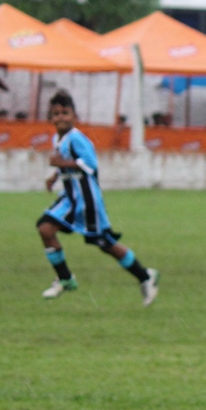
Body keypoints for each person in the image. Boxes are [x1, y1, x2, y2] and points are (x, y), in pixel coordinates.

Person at [35, 91, 160, 306]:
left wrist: (60, 165)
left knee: (104, 243)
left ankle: (145, 276)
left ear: (75, 116)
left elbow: (89, 164)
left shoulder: (76, 138)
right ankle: (65, 278)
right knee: (45, 228)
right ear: (50, 117)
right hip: (69, 198)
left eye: (65, 113)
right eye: (56, 114)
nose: (61, 117)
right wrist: (55, 176)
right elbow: (66, 162)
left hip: (86, 201)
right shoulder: (59, 138)